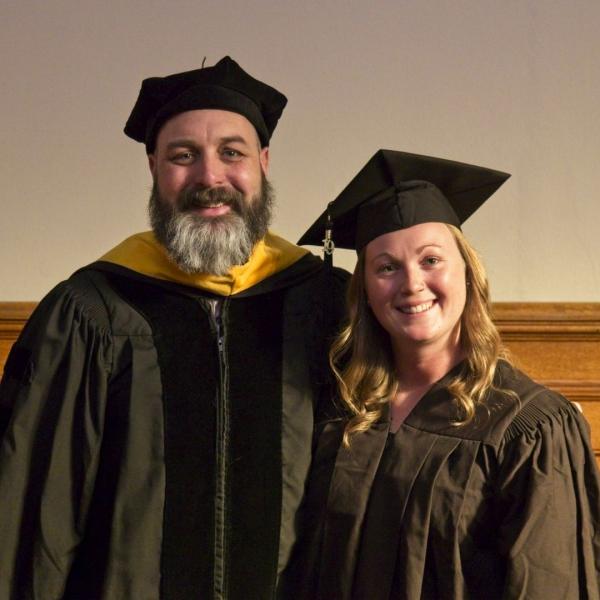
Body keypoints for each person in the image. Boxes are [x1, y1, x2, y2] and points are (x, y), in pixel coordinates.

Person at [0, 57, 347, 599]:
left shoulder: (326, 305)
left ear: (264, 162)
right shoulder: (91, 311)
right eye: (184, 156)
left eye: (232, 153)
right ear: (154, 169)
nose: (210, 178)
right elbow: (34, 513)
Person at [284, 150, 600, 599]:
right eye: (386, 267)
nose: (411, 283)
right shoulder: (340, 411)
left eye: (431, 260)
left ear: (468, 273)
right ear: (366, 292)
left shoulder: (529, 428)